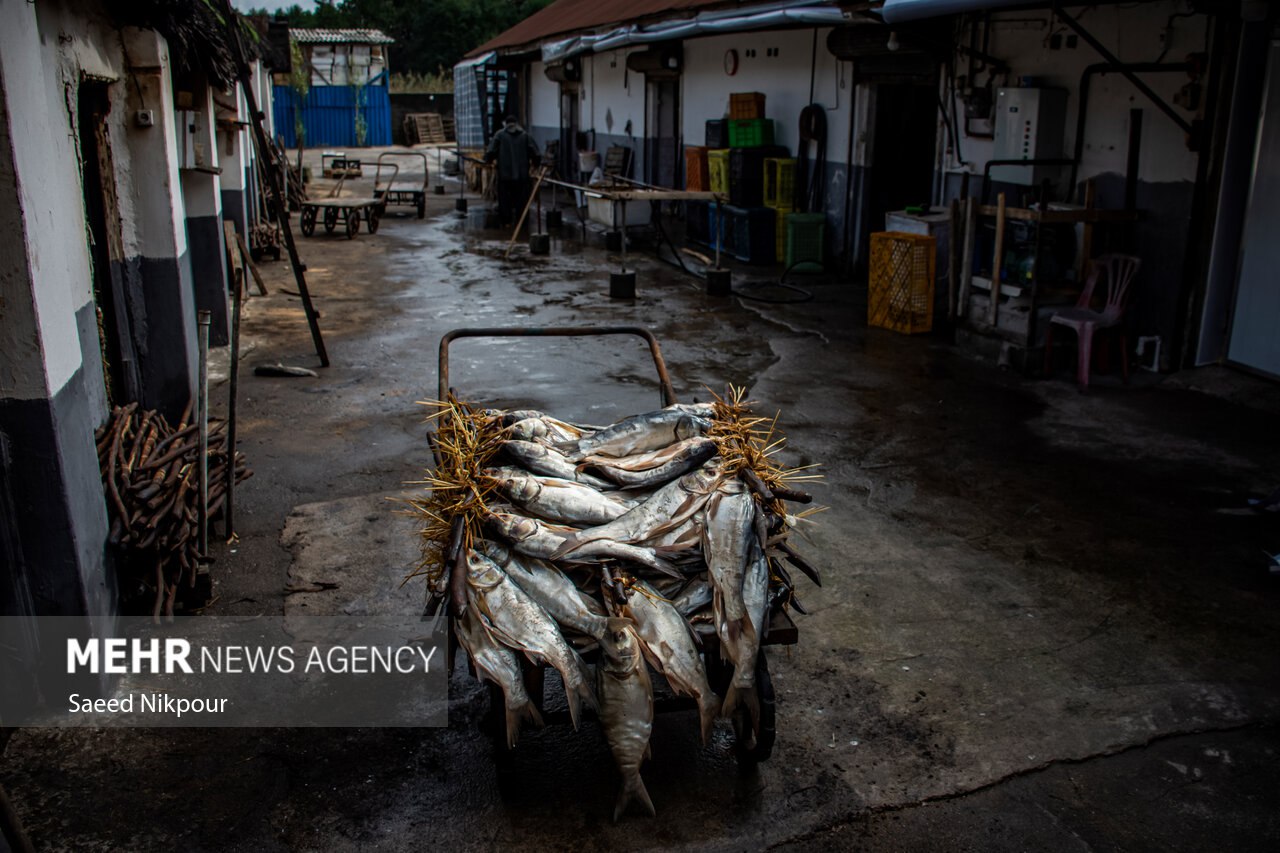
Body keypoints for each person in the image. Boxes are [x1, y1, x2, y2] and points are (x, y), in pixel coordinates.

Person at [484, 116, 540, 227]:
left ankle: (506, 222)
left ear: (506, 124)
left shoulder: (499, 135)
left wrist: (488, 160)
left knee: (504, 201)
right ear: (516, 123)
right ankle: (522, 222)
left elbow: (490, 152)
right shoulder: (525, 136)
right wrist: (535, 165)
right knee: (522, 201)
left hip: (505, 176)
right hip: (522, 176)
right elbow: (536, 154)